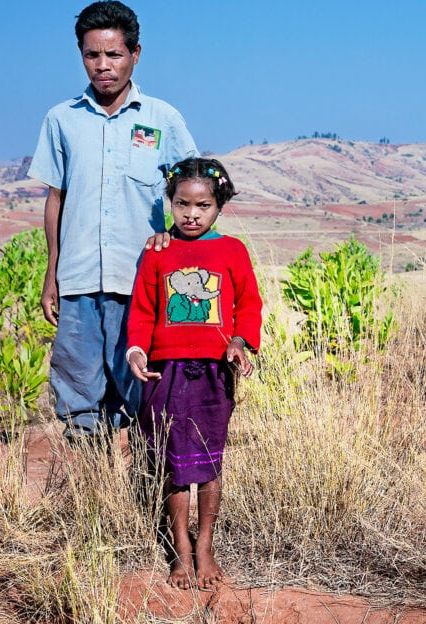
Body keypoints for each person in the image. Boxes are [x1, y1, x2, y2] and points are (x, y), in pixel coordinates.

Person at [27, 0, 198, 442]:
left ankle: (146, 498)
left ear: (136, 54)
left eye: (114, 55)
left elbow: (194, 191)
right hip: (79, 280)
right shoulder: (61, 119)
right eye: (91, 55)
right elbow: (56, 197)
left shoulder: (163, 119)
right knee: (77, 397)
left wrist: (178, 248)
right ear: (81, 55)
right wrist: (53, 274)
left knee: (146, 393)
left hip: (142, 282)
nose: (103, 66)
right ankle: (93, 499)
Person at [125, 157, 262, 589]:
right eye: (181, 204)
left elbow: (249, 305)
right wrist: (135, 350)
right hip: (166, 373)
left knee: (207, 459)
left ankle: (205, 545)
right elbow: (143, 310)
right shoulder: (157, 252)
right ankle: (180, 549)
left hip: (214, 373)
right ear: (171, 202)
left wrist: (240, 343)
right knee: (173, 461)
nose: (191, 214)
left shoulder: (232, 250)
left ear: (219, 205)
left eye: (202, 206)